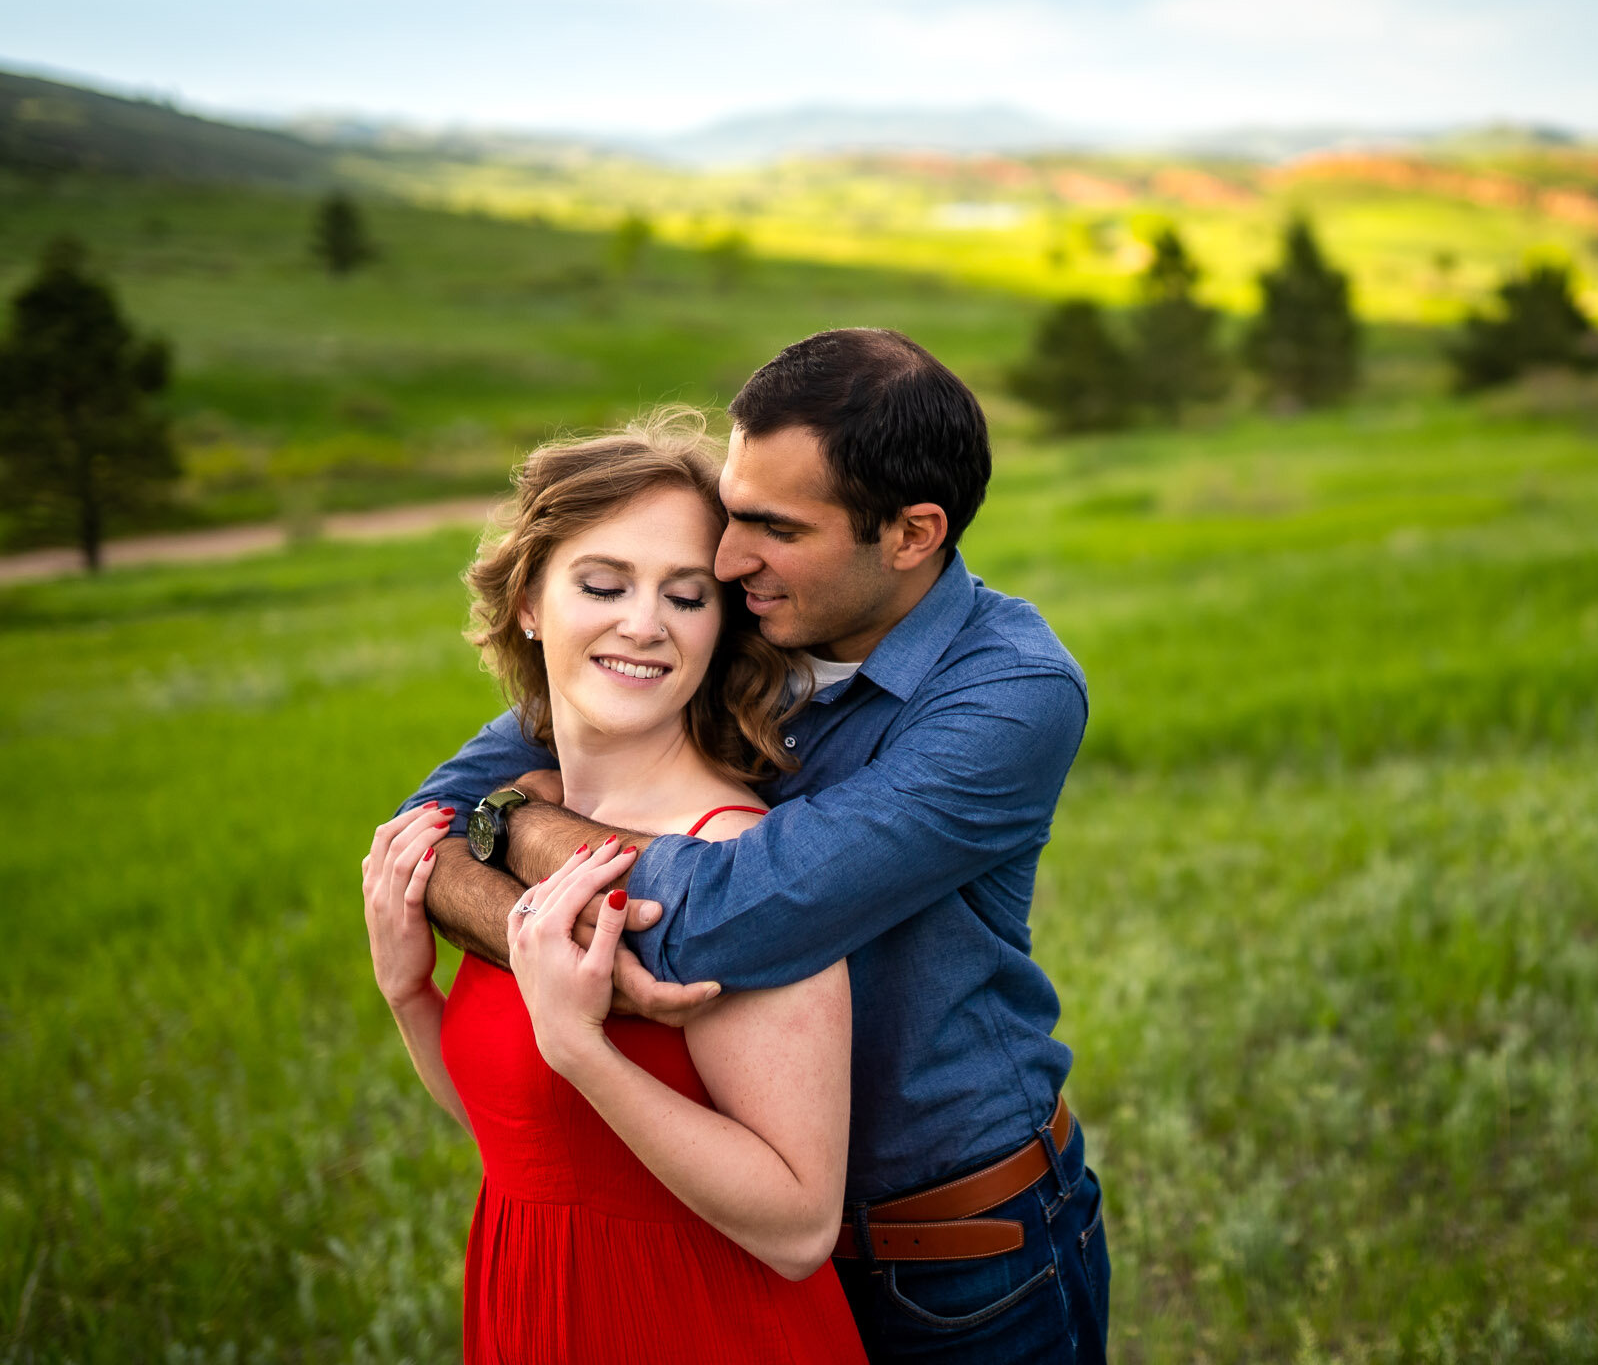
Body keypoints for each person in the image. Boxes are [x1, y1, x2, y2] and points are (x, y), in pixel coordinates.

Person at [402, 329, 1107, 1363]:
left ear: (912, 533)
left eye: (773, 527)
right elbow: (427, 832)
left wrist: (524, 827)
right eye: (731, 512)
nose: (725, 561)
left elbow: (736, 909)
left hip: (962, 1259)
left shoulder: (1008, 692)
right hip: (726, 1239)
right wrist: (526, 901)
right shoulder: (718, 619)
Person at [363, 408, 866, 1363]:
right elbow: (520, 1143)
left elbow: (800, 1227)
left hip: (701, 1326)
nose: (644, 623)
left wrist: (584, 1050)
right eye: (603, 584)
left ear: (719, 629)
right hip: (532, 1307)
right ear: (528, 601)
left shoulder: (735, 864)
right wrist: (408, 992)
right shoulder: (508, 829)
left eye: (686, 597)